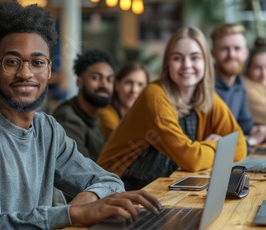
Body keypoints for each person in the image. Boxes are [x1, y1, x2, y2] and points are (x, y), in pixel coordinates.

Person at [0, 0, 161, 230]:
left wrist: (90, 196)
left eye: (37, 62)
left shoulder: (47, 130)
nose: (25, 73)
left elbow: (108, 179)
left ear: (49, 70)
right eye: (12, 61)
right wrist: (72, 215)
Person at [97, 26, 247, 191]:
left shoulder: (207, 98)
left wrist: (208, 148)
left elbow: (240, 146)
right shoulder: (154, 95)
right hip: (116, 186)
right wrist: (219, 147)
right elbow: (191, 159)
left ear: (206, 62)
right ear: (168, 63)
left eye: (195, 57)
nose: (186, 65)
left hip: (161, 187)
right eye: (177, 58)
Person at [210, 23, 266, 146]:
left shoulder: (239, 85)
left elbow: (246, 126)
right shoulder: (205, 88)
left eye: (237, 48)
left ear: (245, 53)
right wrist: (250, 141)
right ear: (213, 53)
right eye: (224, 49)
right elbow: (217, 140)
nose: (232, 55)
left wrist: (265, 130)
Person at [52, 48, 115, 162]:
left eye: (109, 79)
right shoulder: (68, 117)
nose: (104, 85)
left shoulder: (94, 114)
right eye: (95, 77)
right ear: (79, 82)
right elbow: (82, 170)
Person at [98, 62, 150, 141]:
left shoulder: (146, 115)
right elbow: (123, 141)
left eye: (140, 85)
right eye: (129, 83)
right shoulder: (105, 112)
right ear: (117, 85)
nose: (134, 90)